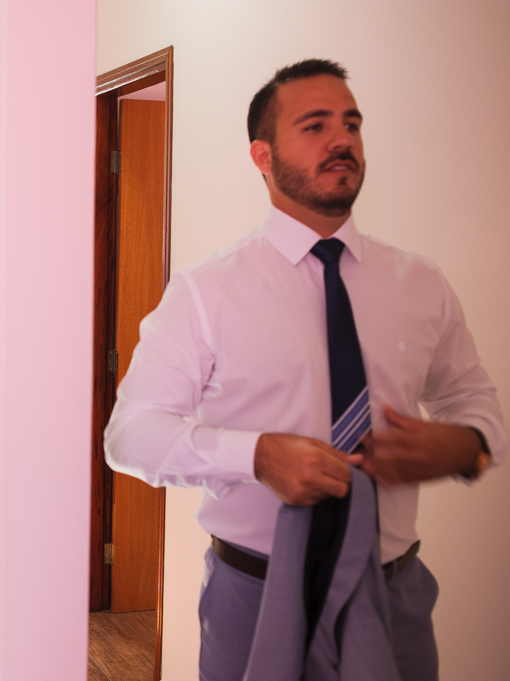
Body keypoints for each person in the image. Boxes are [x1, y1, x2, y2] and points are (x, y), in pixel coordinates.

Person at [104, 59, 506, 681]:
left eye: (351, 124)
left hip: (395, 597)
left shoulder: (420, 284)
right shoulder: (207, 291)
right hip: (254, 597)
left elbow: (472, 396)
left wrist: (466, 445)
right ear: (262, 156)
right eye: (315, 126)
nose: (342, 140)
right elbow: (130, 436)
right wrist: (257, 456)